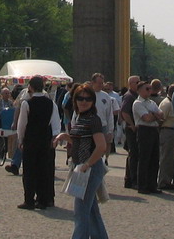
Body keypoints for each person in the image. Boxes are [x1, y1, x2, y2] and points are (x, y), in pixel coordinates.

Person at [55, 83, 108, 239]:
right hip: (83, 167)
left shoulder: (93, 119)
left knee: (81, 211)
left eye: (88, 98)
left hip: (89, 168)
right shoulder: (81, 117)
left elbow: (101, 146)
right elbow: (83, 140)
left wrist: (87, 164)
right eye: (80, 98)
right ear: (75, 100)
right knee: (91, 210)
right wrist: (66, 137)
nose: (84, 101)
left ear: (93, 101)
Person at [16, 76, 60, 210]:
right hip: (45, 138)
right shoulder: (51, 104)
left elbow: (22, 124)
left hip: (31, 139)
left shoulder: (27, 103)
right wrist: (54, 137)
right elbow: (55, 123)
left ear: (30, 87)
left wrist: (20, 139)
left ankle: (29, 200)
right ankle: (42, 200)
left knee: (29, 170)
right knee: (43, 170)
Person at [131, 80, 163, 194]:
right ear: (139, 90)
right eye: (147, 89)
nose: (150, 91)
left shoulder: (151, 103)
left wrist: (152, 115)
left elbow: (161, 114)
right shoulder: (137, 103)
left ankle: (152, 185)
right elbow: (146, 118)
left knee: (155, 158)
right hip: (144, 130)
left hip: (154, 130)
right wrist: (155, 115)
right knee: (144, 158)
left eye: (150, 88)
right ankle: (142, 185)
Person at [118, 75, 140, 189]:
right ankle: (131, 180)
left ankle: (130, 179)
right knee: (133, 153)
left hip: (133, 128)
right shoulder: (129, 96)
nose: (139, 84)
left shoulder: (136, 96)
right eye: (137, 82)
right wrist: (132, 125)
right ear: (130, 84)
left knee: (134, 153)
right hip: (131, 129)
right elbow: (124, 112)